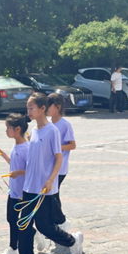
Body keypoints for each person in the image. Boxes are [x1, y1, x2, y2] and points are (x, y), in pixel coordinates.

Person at [10, 93, 84, 254]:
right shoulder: (34, 131)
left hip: (44, 188)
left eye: (31, 108)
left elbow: (58, 158)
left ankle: (72, 241)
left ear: (42, 108)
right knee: (24, 223)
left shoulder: (52, 131)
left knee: (45, 226)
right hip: (29, 186)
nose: (28, 111)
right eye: (28, 108)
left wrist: (51, 180)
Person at [0, 113, 29, 254]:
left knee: (14, 220)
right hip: (13, 190)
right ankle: (18, 245)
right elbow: (14, 164)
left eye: (8, 128)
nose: (6, 131)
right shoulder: (16, 145)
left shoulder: (26, 148)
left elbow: (32, 171)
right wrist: (3, 154)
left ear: (17, 129)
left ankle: (14, 249)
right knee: (12, 219)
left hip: (22, 192)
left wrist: (18, 173)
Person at [47, 92, 75, 231]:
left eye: (49, 106)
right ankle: (57, 222)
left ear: (57, 107)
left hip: (60, 167)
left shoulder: (65, 125)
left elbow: (72, 145)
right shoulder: (47, 123)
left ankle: (61, 221)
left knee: (53, 196)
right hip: (49, 167)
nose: (46, 108)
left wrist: (57, 147)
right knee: (52, 195)